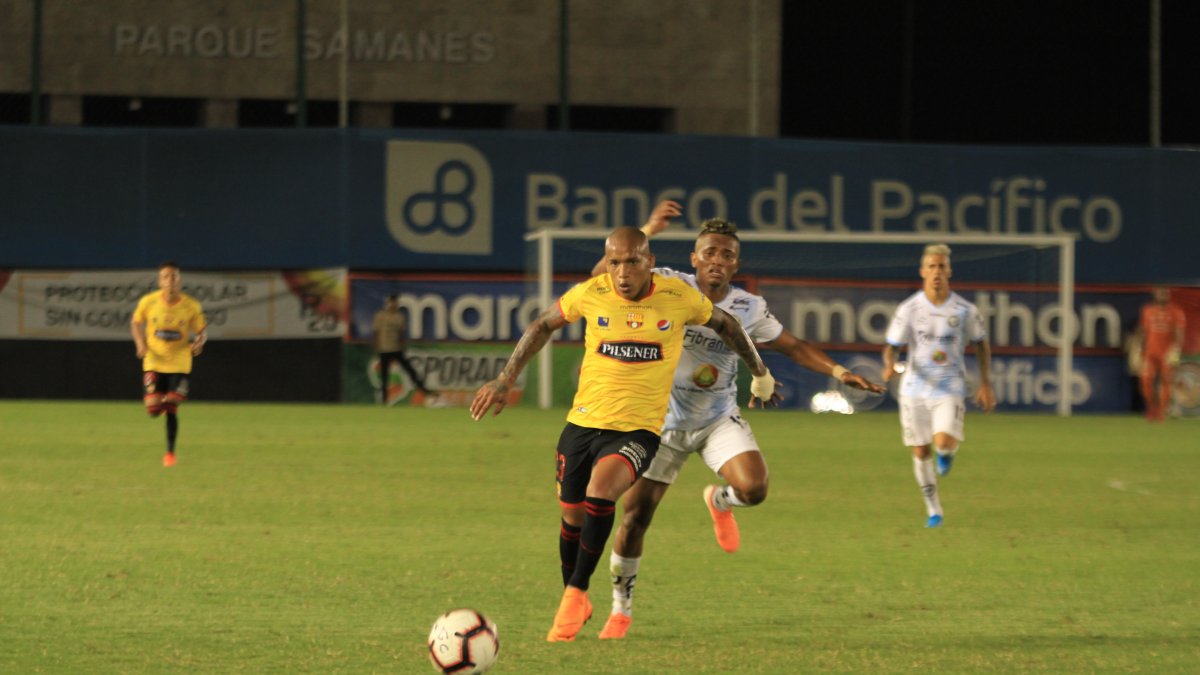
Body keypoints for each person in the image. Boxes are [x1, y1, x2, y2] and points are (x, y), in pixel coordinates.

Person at [590, 202, 886, 640]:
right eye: (709, 252)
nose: (717, 261)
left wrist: (840, 373)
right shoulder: (667, 284)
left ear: (735, 265)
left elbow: (794, 346)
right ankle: (621, 608)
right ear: (694, 259)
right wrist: (648, 230)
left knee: (755, 488)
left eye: (726, 255)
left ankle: (720, 502)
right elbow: (607, 276)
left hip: (716, 417)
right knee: (634, 519)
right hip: (660, 423)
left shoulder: (750, 307)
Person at [470, 226, 775, 643]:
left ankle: (576, 593)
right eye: (614, 262)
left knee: (601, 492)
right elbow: (543, 324)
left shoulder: (678, 296)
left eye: (632, 261)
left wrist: (758, 373)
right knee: (572, 515)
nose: (623, 272)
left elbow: (729, 326)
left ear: (649, 261)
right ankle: (575, 593)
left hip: (642, 429)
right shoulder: (591, 293)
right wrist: (505, 379)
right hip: (583, 423)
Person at [881, 243, 995, 528]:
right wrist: (888, 365)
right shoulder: (909, 309)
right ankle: (934, 510)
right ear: (922, 271)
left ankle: (947, 453)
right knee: (920, 451)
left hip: (949, 387)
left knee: (942, 442)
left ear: (949, 271)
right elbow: (891, 346)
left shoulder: (965, 310)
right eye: (931, 266)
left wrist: (985, 384)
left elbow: (981, 344)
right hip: (913, 390)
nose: (936, 272)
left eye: (942, 266)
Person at [130, 261, 208, 467]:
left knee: (172, 404)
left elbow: (202, 331)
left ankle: (170, 454)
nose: (170, 281)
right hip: (154, 361)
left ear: (179, 280)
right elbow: (136, 322)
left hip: (180, 362)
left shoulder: (191, 305)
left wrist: (199, 343)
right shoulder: (149, 302)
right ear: (160, 280)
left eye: (174, 277)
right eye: (166, 277)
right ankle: (159, 403)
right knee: (154, 410)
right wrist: (140, 343)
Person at [372, 294, 435, 405]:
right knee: (384, 376)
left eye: (395, 302)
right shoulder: (381, 316)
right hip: (384, 349)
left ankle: (424, 391)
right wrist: (377, 346)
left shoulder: (399, 317)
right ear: (387, 303)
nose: (393, 304)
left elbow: (401, 334)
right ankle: (383, 399)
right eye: (391, 302)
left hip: (396, 348)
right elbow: (377, 332)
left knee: (410, 371)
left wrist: (402, 346)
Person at [1138, 285, 1186, 422]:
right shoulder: (1147, 311)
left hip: (1167, 353)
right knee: (1145, 381)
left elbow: (1179, 333)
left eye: (1165, 294)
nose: (1163, 296)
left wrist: (1176, 350)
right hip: (1150, 352)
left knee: (1166, 381)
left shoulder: (1176, 312)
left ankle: (1161, 413)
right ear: (1155, 295)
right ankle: (1151, 407)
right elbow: (1144, 331)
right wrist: (1140, 349)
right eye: (1160, 293)